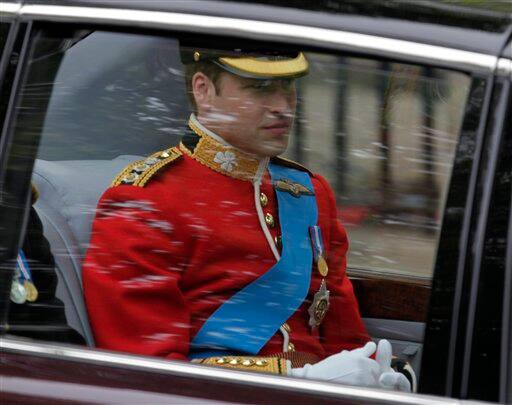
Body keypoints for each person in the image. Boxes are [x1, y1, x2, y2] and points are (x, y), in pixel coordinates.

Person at [83, 45, 412, 391]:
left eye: (288, 87)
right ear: (203, 90)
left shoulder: (310, 193)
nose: (284, 107)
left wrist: (387, 374)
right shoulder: (144, 201)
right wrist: (297, 380)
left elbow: (344, 336)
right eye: (260, 88)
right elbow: (151, 374)